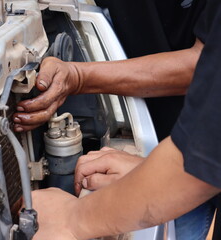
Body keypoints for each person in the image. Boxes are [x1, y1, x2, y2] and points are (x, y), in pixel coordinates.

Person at [29, 0, 221, 237]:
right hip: (179, 155)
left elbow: (204, 157)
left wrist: (74, 219)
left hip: (189, 160)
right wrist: (148, 172)